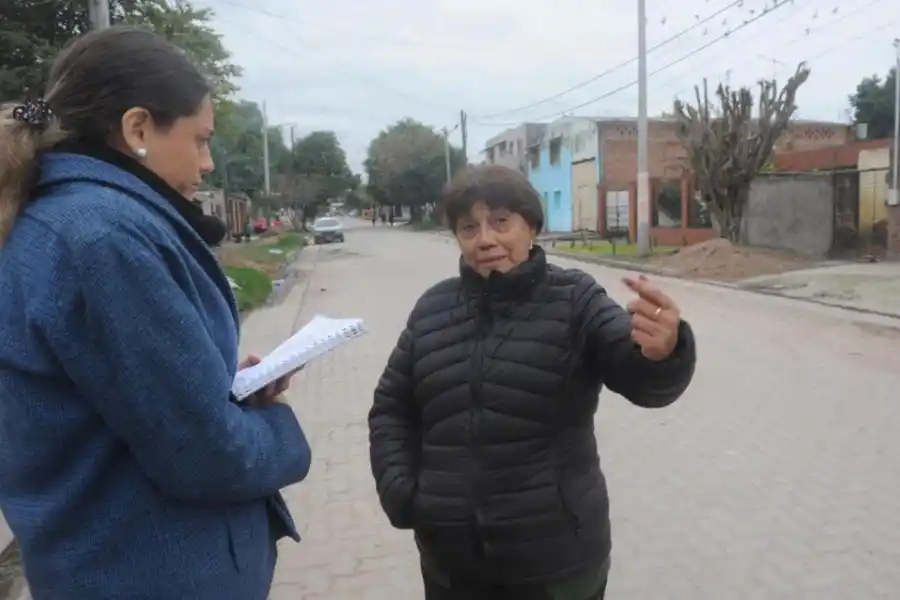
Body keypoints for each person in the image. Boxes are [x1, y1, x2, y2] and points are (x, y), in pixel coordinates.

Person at [0, 26, 311, 600]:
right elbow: (202, 455)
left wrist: (226, 391)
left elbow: (133, 399)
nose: (209, 162)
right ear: (138, 128)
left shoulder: (84, 222)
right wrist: (281, 432)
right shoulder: (102, 239)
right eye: (199, 139)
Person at [369, 165, 696, 600]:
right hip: (451, 566)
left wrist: (664, 354)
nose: (485, 239)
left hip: (556, 566)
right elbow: (391, 408)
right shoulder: (433, 309)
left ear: (532, 227)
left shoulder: (575, 299)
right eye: (468, 227)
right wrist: (403, 493)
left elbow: (637, 373)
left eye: (500, 222)